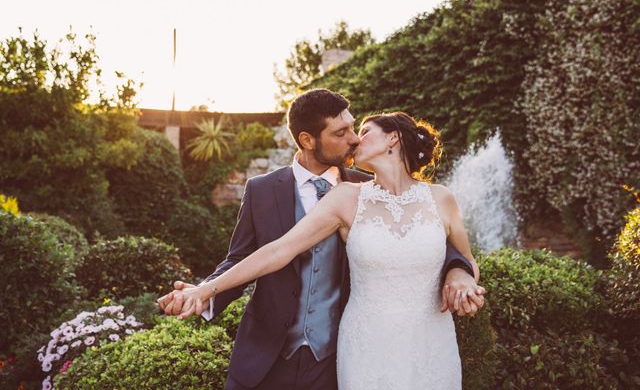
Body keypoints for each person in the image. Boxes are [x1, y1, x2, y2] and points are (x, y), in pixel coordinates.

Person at [158, 89, 484, 390]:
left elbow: (444, 246)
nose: (355, 140)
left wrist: (459, 274)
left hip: (355, 353)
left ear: (394, 140)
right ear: (308, 139)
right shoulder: (286, 192)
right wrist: (205, 291)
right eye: (341, 133)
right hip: (280, 351)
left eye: (358, 130)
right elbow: (272, 252)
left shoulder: (411, 194)